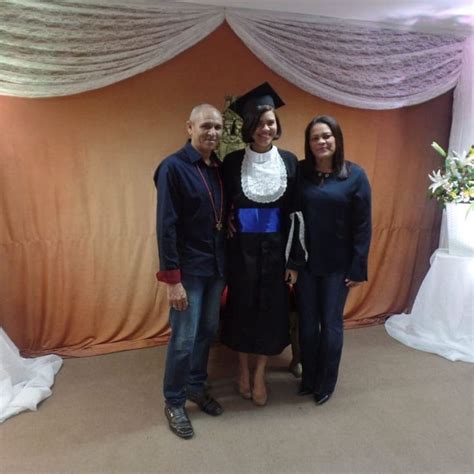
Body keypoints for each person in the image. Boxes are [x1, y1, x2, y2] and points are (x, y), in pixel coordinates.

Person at [220, 83, 307, 406]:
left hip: (275, 252)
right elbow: (220, 203)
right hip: (240, 252)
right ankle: (241, 370)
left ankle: (259, 375)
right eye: (257, 123)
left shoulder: (289, 162)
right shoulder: (231, 163)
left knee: (271, 316)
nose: (264, 129)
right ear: (248, 128)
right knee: (241, 313)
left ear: (277, 125)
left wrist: (294, 263)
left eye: (269, 122)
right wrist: (225, 220)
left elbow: (297, 216)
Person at [153, 104, 226, 439]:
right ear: (189, 127)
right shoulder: (173, 168)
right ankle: (174, 400)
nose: (212, 133)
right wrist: (172, 280)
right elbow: (165, 226)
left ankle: (196, 387)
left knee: (207, 332)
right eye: (206, 126)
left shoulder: (218, 168)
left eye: (218, 128)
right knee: (183, 338)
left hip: (215, 266)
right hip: (188, 270)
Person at [296, 115, 372, 405]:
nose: (321, 142)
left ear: (337, 138)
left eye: (326, 136)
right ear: (309, 143)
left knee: (330, 323)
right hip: (305, 263)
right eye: (315, 138)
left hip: (338, 266)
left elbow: (363, 226)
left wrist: (358, 266)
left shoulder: (355, 175)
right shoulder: (300, 172)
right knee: (306, 323)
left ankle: (326, 383)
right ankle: (308, 378)